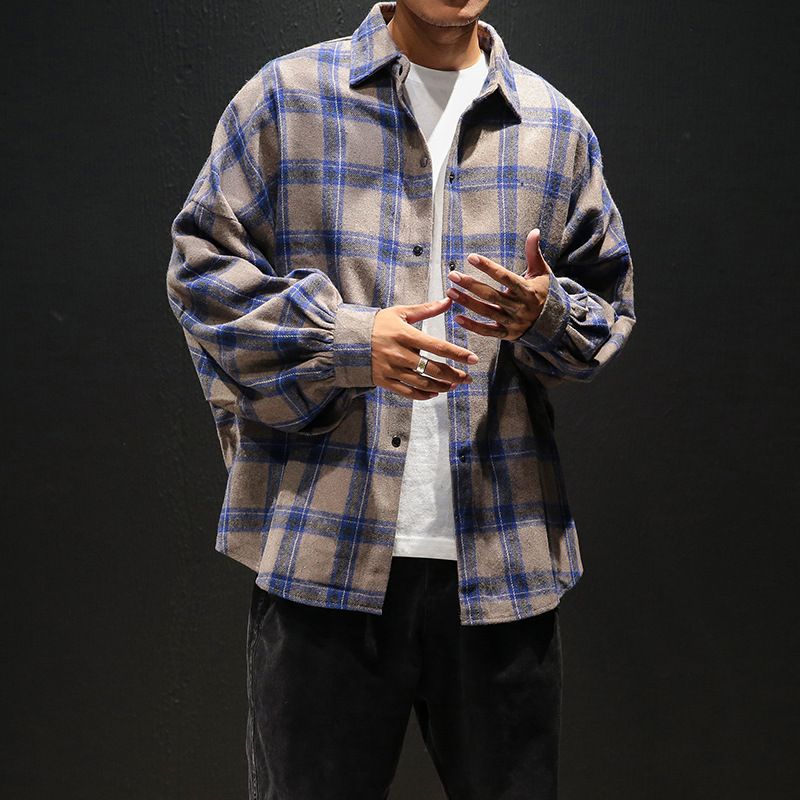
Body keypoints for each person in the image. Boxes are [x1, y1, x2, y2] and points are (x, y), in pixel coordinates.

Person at [165, 1, 636, 797]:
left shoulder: (555, 127)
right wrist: (348, 342)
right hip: (324, 557)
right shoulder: (286, 99)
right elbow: (202, 280)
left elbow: (606, 310)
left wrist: (544, 313)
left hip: (504, 568)